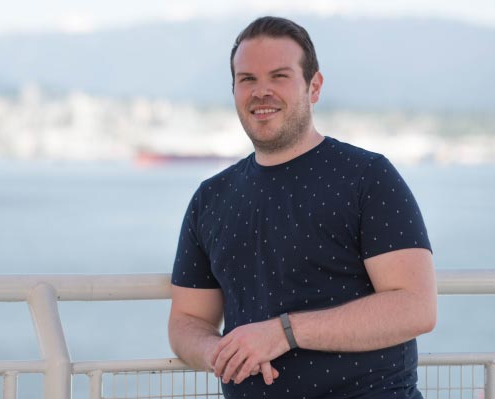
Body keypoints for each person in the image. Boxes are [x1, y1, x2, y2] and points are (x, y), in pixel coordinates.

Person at [168, 16, 437, 399]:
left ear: (314, 87)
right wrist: (221, 352)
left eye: (279, 76)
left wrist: (282, 333)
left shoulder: (368, 177)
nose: (262, 92)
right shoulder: (210, 198)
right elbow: (186, 320)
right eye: (247, 79)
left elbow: (416, 307)